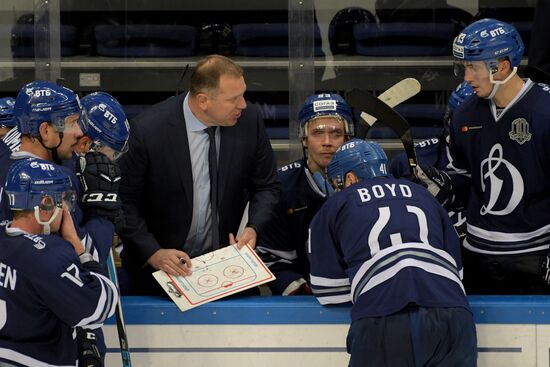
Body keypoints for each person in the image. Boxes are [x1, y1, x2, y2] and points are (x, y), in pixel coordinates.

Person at [118, 54, 280, 295]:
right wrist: (153, 253)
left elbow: (267, 186)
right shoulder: (148, 130)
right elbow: (123, 202)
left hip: (225, 270)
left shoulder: (250, 121)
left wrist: (253, 228)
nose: (243, 105)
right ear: (203, 101)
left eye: (243, 94)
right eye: (233, 99)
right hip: (158, 273)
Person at [309, 138, 477, 367]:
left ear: (350, 178)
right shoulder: (425, 196)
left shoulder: (337, 203)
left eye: (338, 182)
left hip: (383, 315)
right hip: (453, 311)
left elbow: (330, 292)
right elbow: (456, 272)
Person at [418, 18, 550, 294]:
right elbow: (468, 178)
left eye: (473, 67)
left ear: (502, 66)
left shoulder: (545, 111)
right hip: (477, 255)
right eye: (465, 67)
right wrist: (443, 184)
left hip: (536, 255)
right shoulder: (465, 113)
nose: (466, 78)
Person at [0, 158, 118, 367]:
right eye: (64, 201)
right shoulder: (49, 257)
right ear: (45, 205)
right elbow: (101, 306)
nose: (67, 210)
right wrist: (79, 249)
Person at [256, 93, 354, 295]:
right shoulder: (281, 186)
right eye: (318, 133)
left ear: (348, 137)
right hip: (303, 301)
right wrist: (299, 289)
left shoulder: (365, 182)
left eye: (336, 133)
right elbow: (272, 258)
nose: (327, 142)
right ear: (304, 137)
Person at [390, 81, 473, 238]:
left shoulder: (510, 156)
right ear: (450, 122)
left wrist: (453, 188)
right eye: (469, 123)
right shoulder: (414, 161)